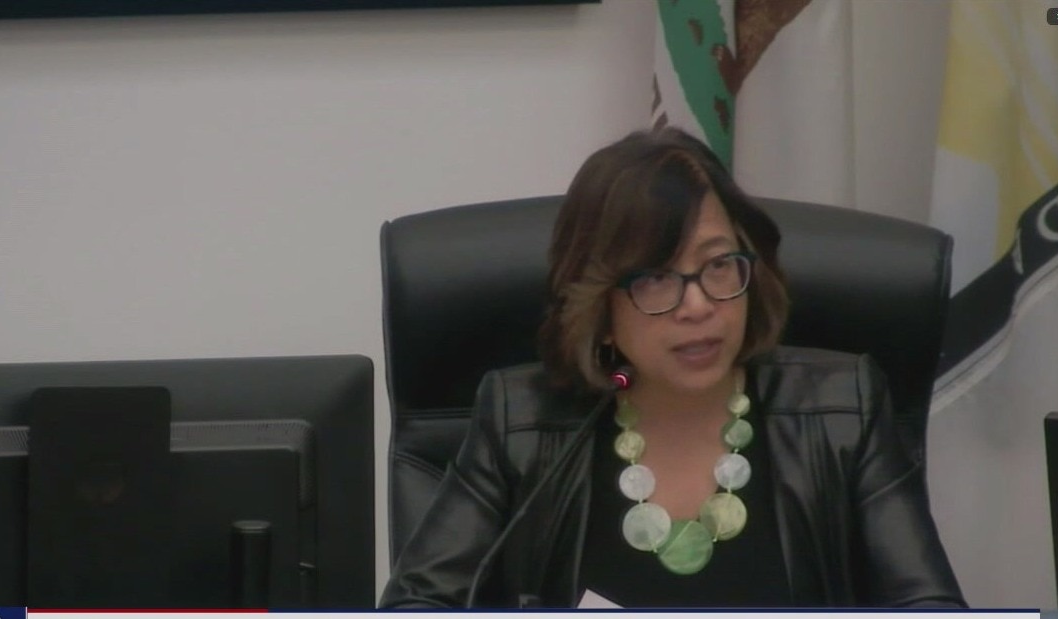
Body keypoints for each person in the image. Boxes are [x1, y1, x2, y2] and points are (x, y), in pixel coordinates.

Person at [380, 127, 966, 608]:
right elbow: (417, 604)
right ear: (599, 307)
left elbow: (929, 605)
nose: (699, 305)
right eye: (658, 277)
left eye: (718, 265)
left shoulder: (843, 409)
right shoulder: (521, 423)